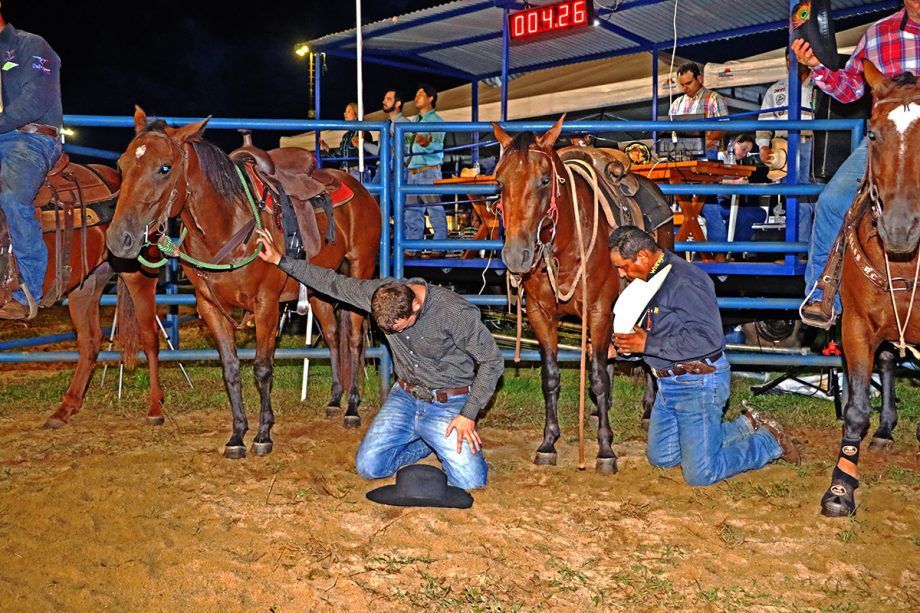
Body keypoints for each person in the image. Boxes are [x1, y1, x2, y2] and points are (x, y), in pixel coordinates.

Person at [255, 228, 502, 490]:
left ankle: (435, 435)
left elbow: (492, 361)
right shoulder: (379, 295)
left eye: (401, 327)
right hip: (405, 397)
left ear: (416, 305)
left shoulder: (454, 312)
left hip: (448, 400)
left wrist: (469, 413)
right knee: (369, 467)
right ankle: (426, 439)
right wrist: (280, 260)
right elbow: (332, 283)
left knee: (470, 482)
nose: (396, 333)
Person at [607, 226, 800, 486]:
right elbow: (652, 336)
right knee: (662, 458)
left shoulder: (686, 281)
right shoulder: (652, 279)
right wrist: (620, 350)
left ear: (642, 256)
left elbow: (708, 339)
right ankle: (745, 425)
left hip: (697, 382)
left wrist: (647, 344)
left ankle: (768, 441)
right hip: (669, 383)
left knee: (701, 474)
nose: (621, 274)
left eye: (623, 267)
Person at [794, 1, 920, 328]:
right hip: (888, 142)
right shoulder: (879, 34)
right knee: (832, 201)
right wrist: (816, 66)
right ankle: (823, 294)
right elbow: (850, 89)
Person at [0, 10, 63, 319]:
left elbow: (35, 101)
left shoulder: (33, 47)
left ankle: (27, 290)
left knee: (12, 196)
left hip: (31, 138)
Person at [757, 56, 817, 246]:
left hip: (815, 145)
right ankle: (798, 252)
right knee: (796, 202)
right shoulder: (776, 89)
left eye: (798, 58)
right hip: (785, 148)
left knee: (817, 200)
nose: (794, 63)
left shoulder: (822, 84)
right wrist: (763, 146)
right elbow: (764, 122)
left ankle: (817, 254)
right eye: (790, 59)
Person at [404, 84, 447, 257]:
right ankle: (413, 246)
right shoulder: (415, 121)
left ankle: (439, 247)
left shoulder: (437, 121)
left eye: (421, 94)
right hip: (414, 170)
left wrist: (427, 144)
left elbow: (438, 144)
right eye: (416, 93)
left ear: (431, 98)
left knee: (434, 209)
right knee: (412, 211)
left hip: (428, 170)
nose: (417, 96)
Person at [700, 134, 766, 244]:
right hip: (716, 199)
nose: (743, 154)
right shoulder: (719, 157)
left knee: (758, 213)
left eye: (746, 153)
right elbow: (713, 180)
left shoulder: (736, 163)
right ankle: (731, 246)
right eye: (743, 149)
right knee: (744, 215)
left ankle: (735, 246)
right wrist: (736, 182)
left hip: (729, 201)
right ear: (735, 143)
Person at [668, 62, 728, 151]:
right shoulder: (676, 104)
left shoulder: (715, 98)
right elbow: (669, 130)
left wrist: (703, 144)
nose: (685, 88)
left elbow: (724, 125)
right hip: (681, 155)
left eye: (688, 83)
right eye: (682, 85)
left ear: (699, 78)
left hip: (708, 154)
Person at [319, 102, 376, 181]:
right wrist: (327, 149)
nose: (345, 113)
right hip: (344, 172)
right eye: (345, 111)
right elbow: (341, 159)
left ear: (356, 115)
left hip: (357, 172)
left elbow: (369, 157)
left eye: (349, 111)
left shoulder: (363, 133)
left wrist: (360, 147)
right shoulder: (345, 136)